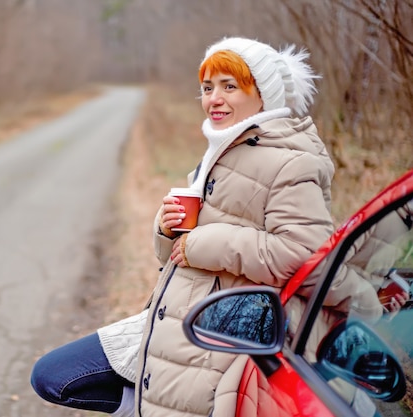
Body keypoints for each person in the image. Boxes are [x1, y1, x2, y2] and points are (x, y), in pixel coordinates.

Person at [31, 36, 335, 417]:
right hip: (173, 315)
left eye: (230, 86)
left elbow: (309, 256)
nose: (214, 99)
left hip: (225, 331)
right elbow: (177, 255)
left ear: (263, 94)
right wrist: (167, 228)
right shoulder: (223, 150)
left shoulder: (292, 161)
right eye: (207, 88)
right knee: (51, 376)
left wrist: (205, 243)